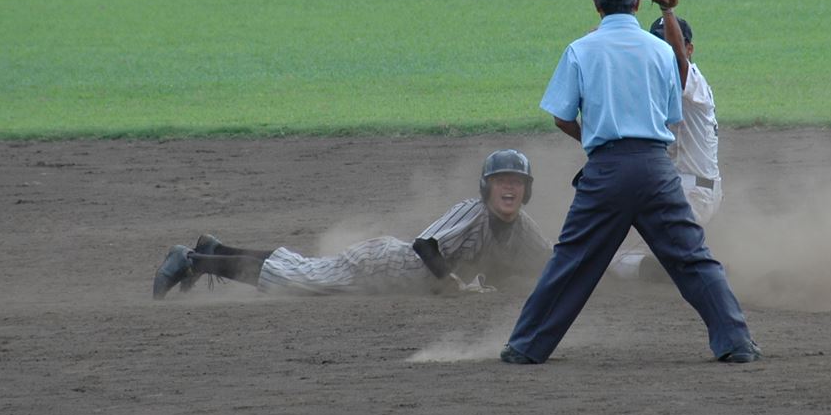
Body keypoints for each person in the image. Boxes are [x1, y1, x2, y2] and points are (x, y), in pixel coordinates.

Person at [500, 0, 761, 365]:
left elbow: (561, 117)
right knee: (692, 258)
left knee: (572, 260)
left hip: (606, 171)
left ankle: (526, 346)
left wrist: (594, 141)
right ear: (638, 2)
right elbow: (671, 115)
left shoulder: (580, 49)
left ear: (595, 3)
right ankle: (736, 342)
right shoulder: (661, 51)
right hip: (657, 171)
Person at [151, 150, 551, 299]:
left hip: (392, 274)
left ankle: (214, 249)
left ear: (526, 190)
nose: (509, 188)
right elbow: (425, 245)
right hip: (382, 265)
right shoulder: (474, 212)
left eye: (517, 182)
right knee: (293, 281)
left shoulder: (522, 226)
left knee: (299, 268)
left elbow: (548, 260)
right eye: (502, 181)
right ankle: (190, 260)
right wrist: (449, 281)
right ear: (486, 187)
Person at [612, 10, 720, 281]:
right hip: (682, 188)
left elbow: (678, 67)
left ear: (689, 49)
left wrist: (666, 10)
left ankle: (701, 269)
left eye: (671, 44)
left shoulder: (691, 80)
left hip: (691, 194)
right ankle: (684, 261)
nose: (663, 51)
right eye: (657, 44)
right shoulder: (660, 86)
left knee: (616, 262)